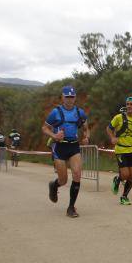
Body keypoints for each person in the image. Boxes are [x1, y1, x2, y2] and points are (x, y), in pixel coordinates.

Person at [42, 86, 90, 217]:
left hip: (74, 146)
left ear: (75, 98)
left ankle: (71, 207)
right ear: (62, 97)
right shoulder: (55, 112)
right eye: (67, 97)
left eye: (72, 97)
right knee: (63, 180)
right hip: (60, 147)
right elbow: (44, 128)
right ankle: (54, 185)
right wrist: (54, 136)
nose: (69, 100)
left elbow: (86, 128)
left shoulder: (80, 112)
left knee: (77, 174)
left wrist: (86, 137)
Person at [106, 96, 132, 205]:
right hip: (120, 149)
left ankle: (124, 197)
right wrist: (112, 138)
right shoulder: (118, 117)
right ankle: (117, 179)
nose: (129, 106)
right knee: (124, 174)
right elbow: (109, 128)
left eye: (131, 104)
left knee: (131, 176)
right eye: (127, 104)